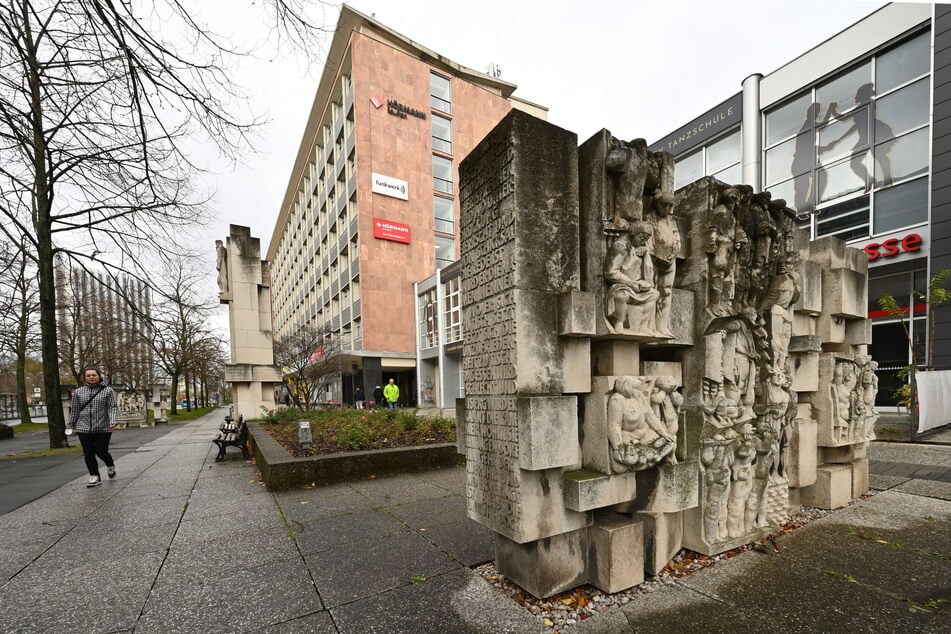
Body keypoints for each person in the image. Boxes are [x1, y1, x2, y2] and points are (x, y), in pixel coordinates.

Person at [66, 367, 118, 487]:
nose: (91, 377)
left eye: (94, 375)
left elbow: (112, 407)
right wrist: (71, 425)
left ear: (99, 376)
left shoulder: (107, 390)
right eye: (88, 375)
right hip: (83, 427)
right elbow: (75, 410)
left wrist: (113, 420)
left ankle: (110, 465)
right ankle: (94, 476)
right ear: (85, 377)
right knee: (88, 453)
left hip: (102, 426)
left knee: (101, 451)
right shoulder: (78, 392)